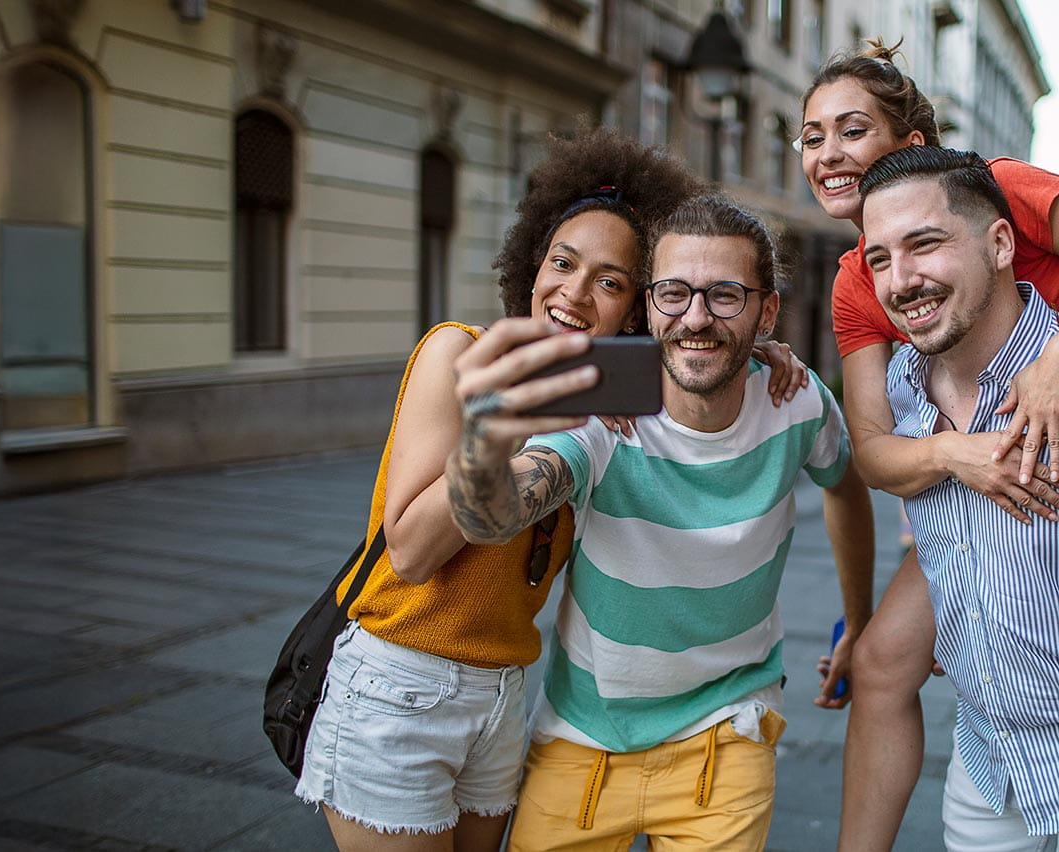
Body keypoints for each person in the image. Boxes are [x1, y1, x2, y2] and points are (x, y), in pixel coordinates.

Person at [292, 130, 707, 852]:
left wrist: (762, 350)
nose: (574, 293)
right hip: (399, 688)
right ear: (532, 264)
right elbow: (414, 551)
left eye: (609, 281)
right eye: (563, 262)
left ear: (636, 310)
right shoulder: (459, 352)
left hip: (503, 695)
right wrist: (513, 420)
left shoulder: (603, 404)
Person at [446, 195, 875, 852]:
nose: (696, 318)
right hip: (580, 743)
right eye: (673, 293)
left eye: (725, 295)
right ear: (648, 305)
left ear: (768, 310)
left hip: (726, 734)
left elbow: (845, 485)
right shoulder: (605, 416)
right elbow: (494, 514)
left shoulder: (798, 401)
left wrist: (859, 620)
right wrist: (481, 438)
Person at [796, 41, 1059, 852]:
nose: (829, 154)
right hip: (959, 480)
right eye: (811, 137)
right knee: (879, 663)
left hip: (1035, 386)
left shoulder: (999, 186)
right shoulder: (856, 283)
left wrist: (1056, 363)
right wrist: (955, 456)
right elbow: (877, 449)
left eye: (851, 130)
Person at [859, 145, 1059, 851]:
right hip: (992, 757)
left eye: (924, 244)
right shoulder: (901, 391)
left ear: (1001, 242)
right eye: (879, 258)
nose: (900, 280)